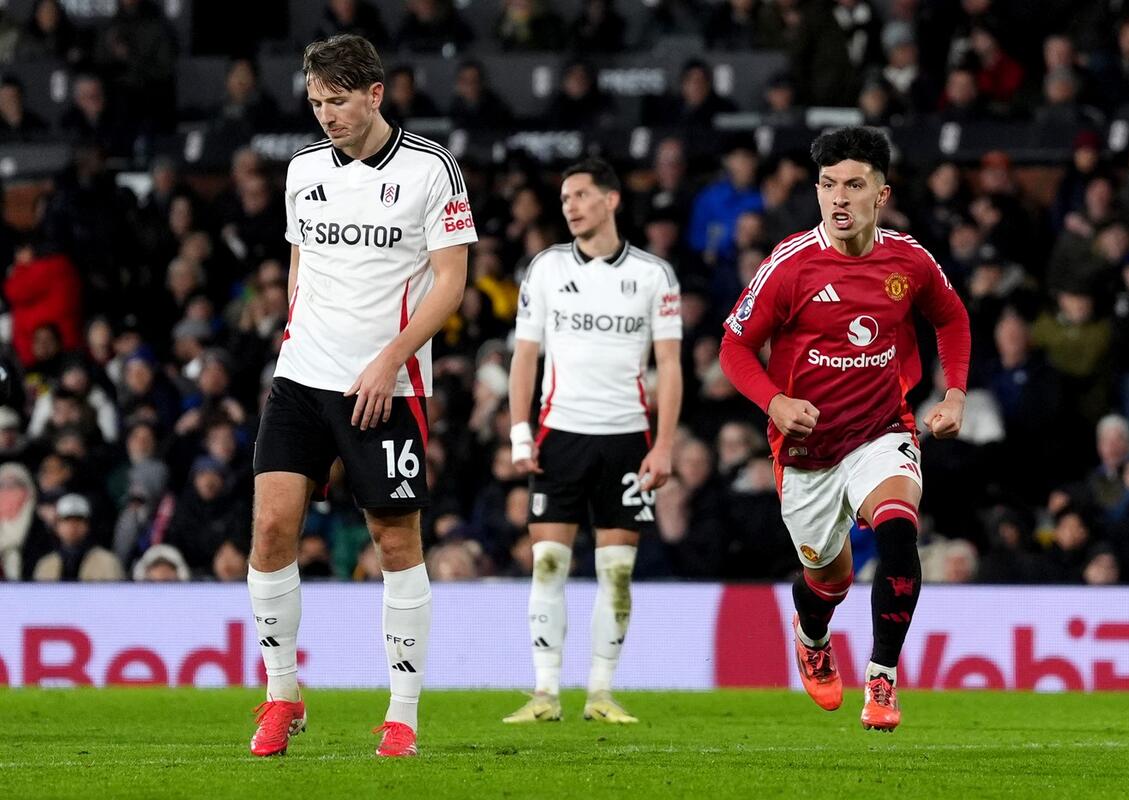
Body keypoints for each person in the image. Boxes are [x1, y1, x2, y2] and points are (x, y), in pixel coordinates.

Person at [246, 34, 476, 759]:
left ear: (376, 94)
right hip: (301, 378)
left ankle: (402, 715)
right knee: (270, 528)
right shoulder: (303, 168)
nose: (326, 115)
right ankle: (282, 694)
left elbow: (451, 283)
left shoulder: (431, 168)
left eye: (338, 100)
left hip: (388, 385)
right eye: (316, 102)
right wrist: (296, 336)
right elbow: (300, 262)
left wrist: (390, 360)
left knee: (394, 541)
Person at [719, 127, 970, 732]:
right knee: (828, 580)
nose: (839, 197)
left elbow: (953, 319)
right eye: (828, 184)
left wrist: (955, 393)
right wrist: (775, 402)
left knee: (899, 532)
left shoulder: (909, 260)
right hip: (807, 453)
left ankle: (881, 679)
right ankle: (811, 634)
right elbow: (734, 347)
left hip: (882, 430)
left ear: (881, 195)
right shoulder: (791, 265)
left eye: (854, 185)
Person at [503, 158, 682, 725]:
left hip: (627, 438)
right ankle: (544, 694)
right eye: (565, 199)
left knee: (618, 571)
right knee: (548, 563)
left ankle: (601, 693)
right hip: (560, 434)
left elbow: (669, 365)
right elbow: (525, 355)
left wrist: (664, 444)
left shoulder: (654, 275)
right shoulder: (546, 268)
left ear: (611, 200)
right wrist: (519, 431)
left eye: (581, 194)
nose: (571, 206)